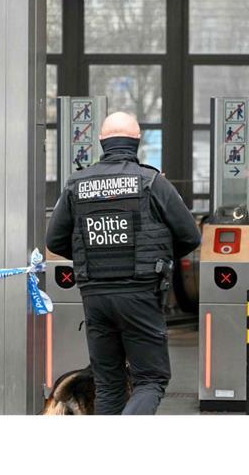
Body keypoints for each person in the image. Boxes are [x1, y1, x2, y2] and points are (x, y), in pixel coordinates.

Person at [46, 111, 202, 415]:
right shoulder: (152, 182)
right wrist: (160, 256)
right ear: (137, 141)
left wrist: (87, 256)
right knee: (151, 379)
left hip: (95, 296)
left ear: (102, 142)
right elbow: (190, 236)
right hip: (141, 293)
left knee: (108, 383)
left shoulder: (77, 184)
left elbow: (54, 240)